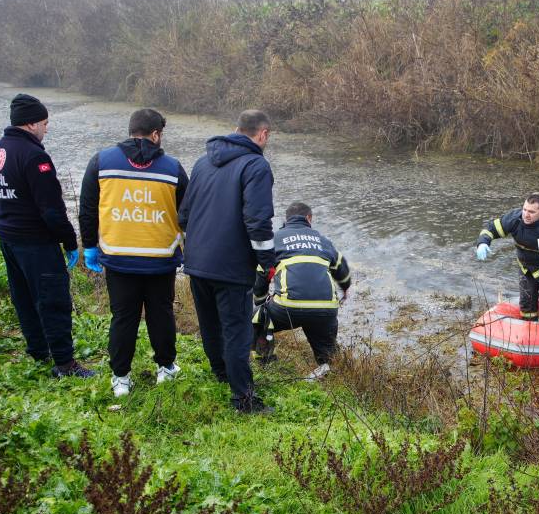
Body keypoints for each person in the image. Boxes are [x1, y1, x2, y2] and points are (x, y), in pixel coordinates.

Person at [0, 93, 95, 378]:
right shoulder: (34, 157)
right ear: (31, 123)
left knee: (23, 296)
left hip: (8, 236)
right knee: (52, 300)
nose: (46, 129)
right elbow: (52, 209)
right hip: (36, 241)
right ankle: (65, 363)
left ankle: (37, 350)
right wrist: (70, 241)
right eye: (45, 123)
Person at [79, 109, 188, 397]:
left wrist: (90, 245)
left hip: (118, 256)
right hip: (160, 258)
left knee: (123, 317)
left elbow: (88, 208)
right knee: (161, 314)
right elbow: (188, 212)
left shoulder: (101, 162)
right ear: (155, 134)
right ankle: (165, 368)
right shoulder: (173, 168)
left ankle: (121, 379)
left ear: (131, 131)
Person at [179, 109, 276, 413]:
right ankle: (244, 399)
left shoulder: (203, 161)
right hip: (231, 266)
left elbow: (184, 215)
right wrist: (267, 262)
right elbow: (258, 221)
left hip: (197, 261)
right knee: (237, 331)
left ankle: (221, 373)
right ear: (263, 135)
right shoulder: (256, 165)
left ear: (236, 129)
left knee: (210, 324)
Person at [252, 202, 351, 379]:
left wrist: (260, 303)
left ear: (287, 219)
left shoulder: (276, 238)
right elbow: (342, 271)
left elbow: (261, 273)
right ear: (309, 219)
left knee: (257, 320)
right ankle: (329, 370)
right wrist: (345, 289)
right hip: (326, 308)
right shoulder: (323, 240)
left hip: (287, 308)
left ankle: (266, 364)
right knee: (327, 349)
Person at [475, 193, 539, 321]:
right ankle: (528, 327)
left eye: (532, 212)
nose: (526, 214)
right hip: (525, 267)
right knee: (526, 303)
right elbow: (491, 229)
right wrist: (483, 242)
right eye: (525, 209)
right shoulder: (514, 219)